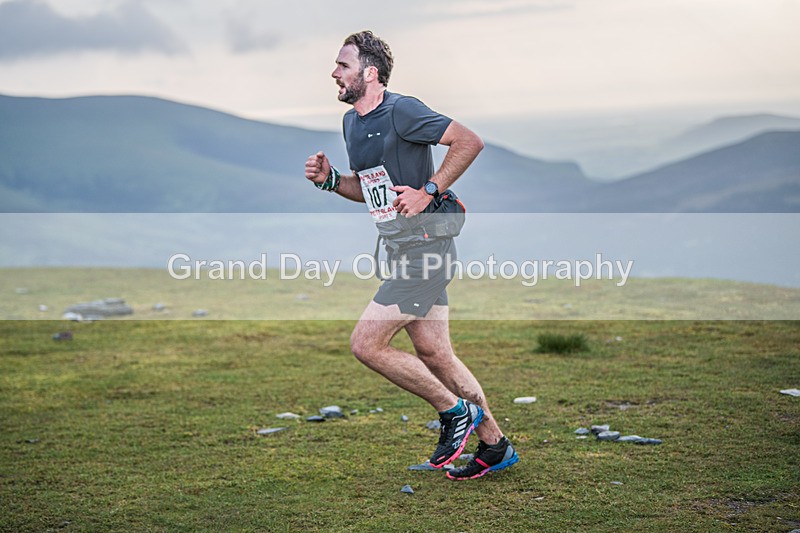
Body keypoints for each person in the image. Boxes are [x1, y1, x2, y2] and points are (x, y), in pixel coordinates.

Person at [304, 30, 518, 480]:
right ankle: (495, 446)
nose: (333, 73)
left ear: (370, 72)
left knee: (366, 344)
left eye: (342, 65)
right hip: (400, 249)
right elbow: (370, 189)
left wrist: (429, 190)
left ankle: (454, 411)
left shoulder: (402, 109)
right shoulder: (352, 123)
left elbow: (469, 141)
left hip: (427, 247)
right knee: (435, 353)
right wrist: (330, 180)